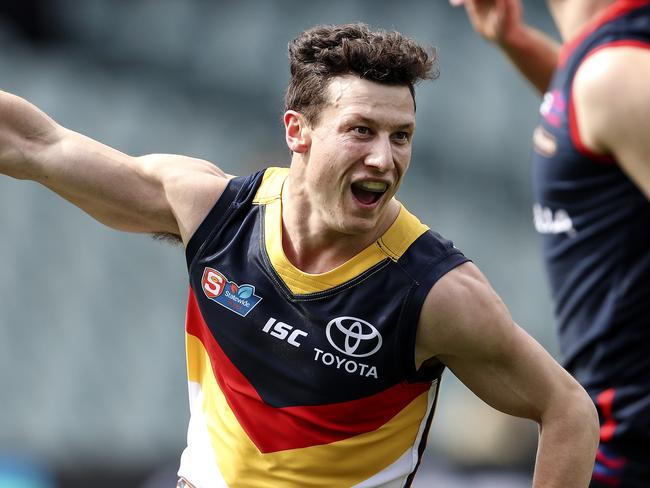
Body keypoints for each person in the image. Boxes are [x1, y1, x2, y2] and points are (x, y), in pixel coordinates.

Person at [0, 22, 598, 488]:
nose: (384, 159)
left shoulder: (436, 292)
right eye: (361, 130)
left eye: (401, 136)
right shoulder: (215, 212)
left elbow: (568, 410)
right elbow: (36, 143)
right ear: (298, 131)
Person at [451, 0, 650, 486]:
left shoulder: (615, 73)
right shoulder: (602, 66)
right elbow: (590, 126)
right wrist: (516, 43)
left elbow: (614, 98)